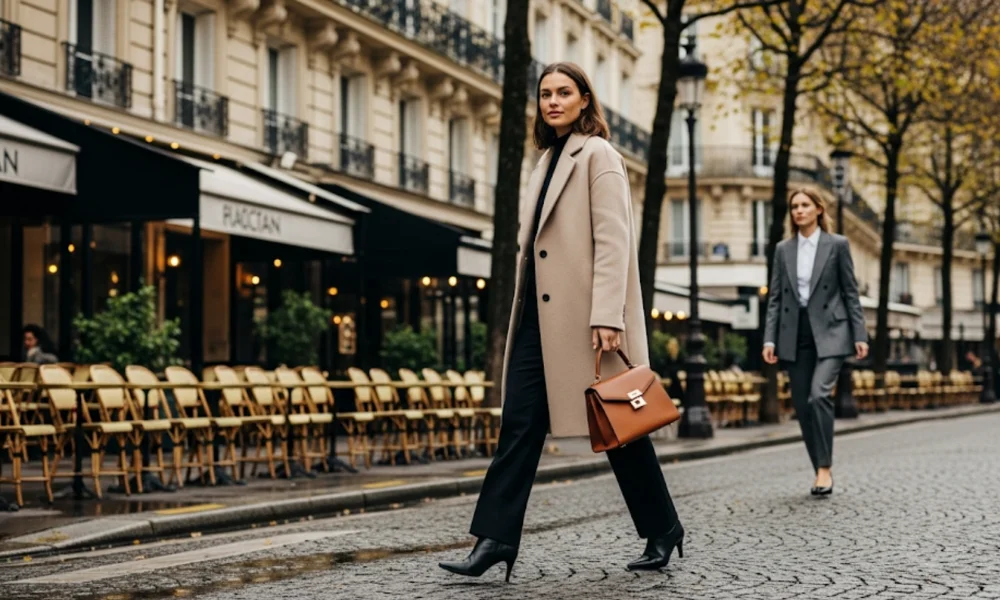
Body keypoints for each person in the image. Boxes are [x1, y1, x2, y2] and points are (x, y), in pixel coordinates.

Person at [438, 62, 684, 581]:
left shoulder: (598, 155)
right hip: (537, 319)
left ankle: (663, 528)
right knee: (519, 427)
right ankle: (495, 540)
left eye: (563, 93)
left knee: (619, 427)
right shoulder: (544, 160)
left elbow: (615, 241)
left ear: (584, 100)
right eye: (545, 94)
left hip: (584, 320)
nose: (552, 101)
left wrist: (607, 315)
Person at [762, 188, 868, 496]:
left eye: (805, 205)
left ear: (818, 209)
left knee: (819, 395)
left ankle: (825, 469)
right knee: (801, 405)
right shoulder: (784, 249)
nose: (799, 210)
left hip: (832, 331)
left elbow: (850, 292)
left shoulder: (837, 245)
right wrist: (769, 340)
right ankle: (819, 468)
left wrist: (859, 334)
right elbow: (775, 298)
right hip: (794, 334)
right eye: (794, 206)